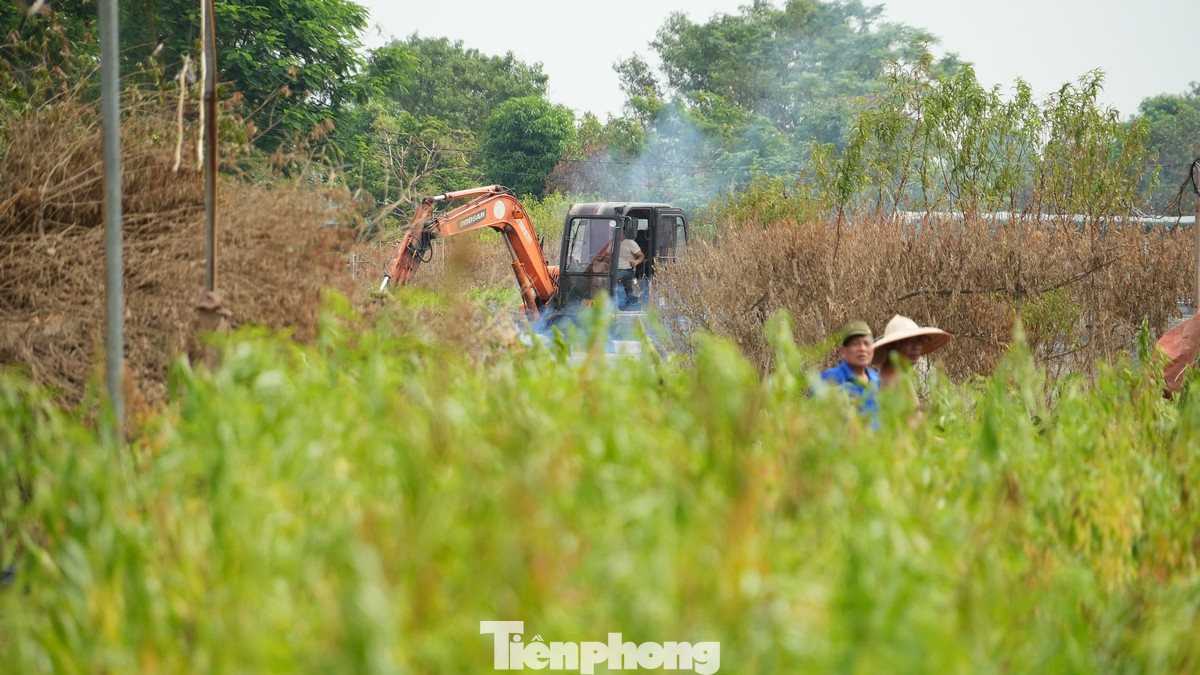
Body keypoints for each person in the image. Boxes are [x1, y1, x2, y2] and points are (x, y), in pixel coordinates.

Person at [820, 320, 880, 420]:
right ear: (842, 351)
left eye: (867, 343)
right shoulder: (831, 378)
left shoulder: (877, 380)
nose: (862, 348)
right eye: (855, 344)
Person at [871, 315, 952, 388]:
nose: (916, 347)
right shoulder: (895, 378)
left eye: (919, 341)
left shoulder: (891, 373)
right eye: (909, 342)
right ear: (893, 345)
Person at [615, 223, 645, 308]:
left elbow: (642, 256)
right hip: (613, 269)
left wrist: (636, 262)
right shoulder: (613, 243)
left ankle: (623, 303)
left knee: (612, 279)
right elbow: (606, 255)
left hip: (626, 270)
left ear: (623, 231)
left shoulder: (630, 243)